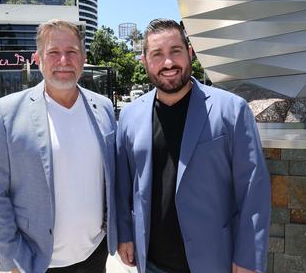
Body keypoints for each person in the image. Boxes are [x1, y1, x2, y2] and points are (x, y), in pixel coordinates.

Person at [115, 19, 271, 273]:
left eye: (175, 51)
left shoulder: (232, 110)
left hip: (214, 261)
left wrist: (248, 259)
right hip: (152, 263)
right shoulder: (130, 116)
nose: (168, 63)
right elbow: (124, 185)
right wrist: (125, 233)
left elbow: (253, 191)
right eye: (157, 54)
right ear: (144, 61)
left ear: (189, 54)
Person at [0, 19, 117, 273]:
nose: (63, 60)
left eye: (72, 52)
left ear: (83, 58)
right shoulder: (6, 113)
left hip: (95, 254)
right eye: (53, 52)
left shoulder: (104, 107)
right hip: (38, 262)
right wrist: (12, 259)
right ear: (38, 58)